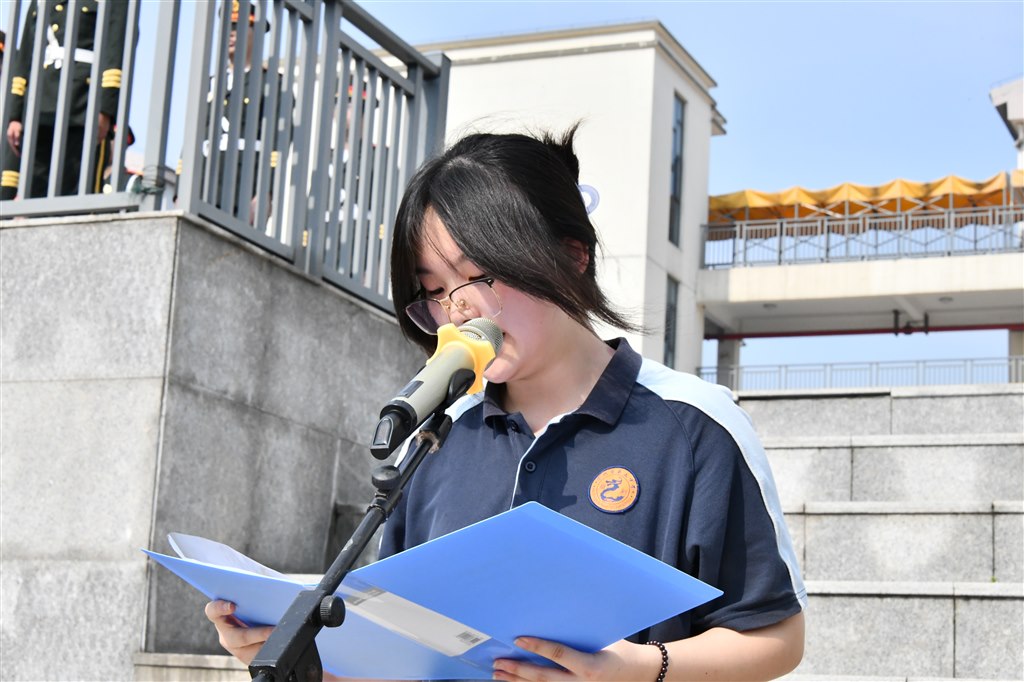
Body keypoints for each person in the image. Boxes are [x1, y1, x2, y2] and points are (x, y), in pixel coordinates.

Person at [206, 126, 807, 681]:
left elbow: (777, 636)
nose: (457, 309)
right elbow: (407, 655)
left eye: (479, 277)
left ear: (572, 257)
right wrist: (314, 661)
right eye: (434, 290)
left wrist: (639, 668)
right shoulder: (439, 438)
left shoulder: (694, 425)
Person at [3, 0, 129, 199]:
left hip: (82, 104)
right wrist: (15, 115)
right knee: (34, 195)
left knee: (78, 195)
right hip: (39, 107)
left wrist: (105, 109)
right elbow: (25, 57)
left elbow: (115, 50)